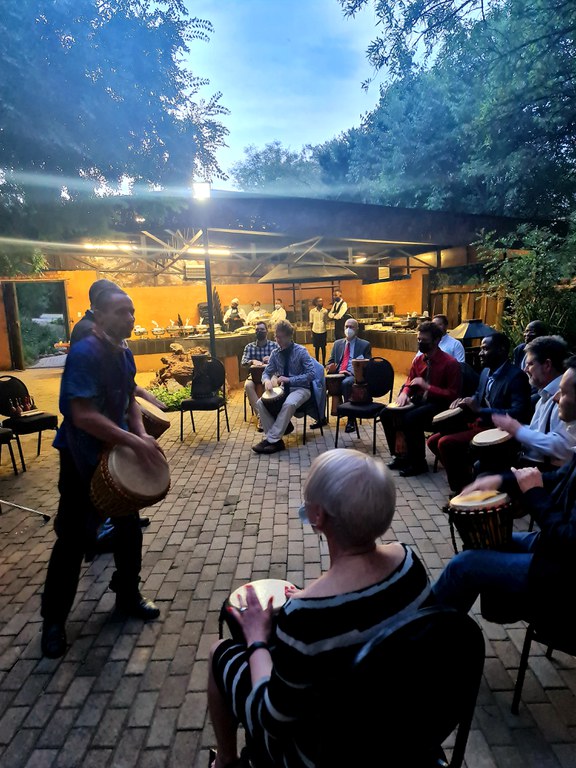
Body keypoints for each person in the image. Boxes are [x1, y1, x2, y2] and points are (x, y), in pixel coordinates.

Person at [207, 449, 431, 768]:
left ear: (318, 516)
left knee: (220, 651)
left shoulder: (306, 614)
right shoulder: (410, 562)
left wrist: (256, 638)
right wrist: (314, 593)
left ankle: (226, 761)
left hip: (325, 753)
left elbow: (272, 717)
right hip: (400, 728)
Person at [41, 287, 164, 659]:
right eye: (122, 312)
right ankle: (53, 622)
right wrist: (133, 441)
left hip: (115, 451)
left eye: (132, 310)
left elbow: (128, 402)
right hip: (81, 455)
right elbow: (82, 415)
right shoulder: (85, 353)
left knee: (128, 530)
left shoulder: (123, 353)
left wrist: (142, 436)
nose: (131, 317)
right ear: (99, 315)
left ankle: (127, 595)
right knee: (73, 539)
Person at [432, 356, 576, 636]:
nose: (557, 395)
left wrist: (534, 494)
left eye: (566, 391)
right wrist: (498, 480)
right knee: (484, 544)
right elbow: (556, 479)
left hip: (565, 574)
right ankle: (439, 632)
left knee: (465, 565)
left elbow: (569, 541)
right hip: (554, 550)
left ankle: (419, 638)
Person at [427, 332, 533, 494]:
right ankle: (466, 478)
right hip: (480, 422)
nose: (480, 353)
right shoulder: (485, 372)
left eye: (485, 349)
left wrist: (481, 410)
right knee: (433, 441)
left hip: (499, 430)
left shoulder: (516, 377)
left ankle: (462, 490)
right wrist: (465, 401)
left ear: (501, 350)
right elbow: (478, 397)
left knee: (446, 443)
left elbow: (518, 412)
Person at [381, 321, 462, 477]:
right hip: (422, 401)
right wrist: (404, 392)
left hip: (441, 405)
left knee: (411, 418)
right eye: (418, 339)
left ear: (437, 340)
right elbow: (410, 380)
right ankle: (400, 456)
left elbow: (453, 394)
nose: (420, 343)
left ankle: (419, 463)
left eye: (424, 340)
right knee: (386, 413)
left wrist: (427, 387)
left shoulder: (450, 363)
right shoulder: (419, 360)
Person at [492, 335, 575, 470]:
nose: (525, 369)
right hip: (530, 462)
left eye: (530, 364)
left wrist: (518, 430)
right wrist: (516, 428)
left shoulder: (566, 399)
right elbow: (539, 431)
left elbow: (562, 447)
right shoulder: (544, 395)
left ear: (547, 365)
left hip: (546, 471)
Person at [253, 320, 315, 454]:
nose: (277, 339)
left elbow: (311, 374)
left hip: (301, 388)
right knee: (260, 403)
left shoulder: (301, 351)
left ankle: (270, 439)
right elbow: (266, 372)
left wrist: (289, 379)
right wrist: (266, 380)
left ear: (289, 336)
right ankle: (277, 441)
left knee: (288, 404)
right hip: (283, 389)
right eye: (276, 336)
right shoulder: (275, 353)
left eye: (280, 337)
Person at [325, 318, 371, 433]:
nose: (348, 329)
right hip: (338, 373)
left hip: (352, 374)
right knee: (319, 383)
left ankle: (351, 418)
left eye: (351, 327)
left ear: (357, 329)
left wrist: (351, 371)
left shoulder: (364, 345)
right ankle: (320, 417)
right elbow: (330, 362)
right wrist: (330, 366)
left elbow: (368, 364)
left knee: (346, 383)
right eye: (346, 327)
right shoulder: (337, 344)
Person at [241, 321, 279, 430]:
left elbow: (282, 361)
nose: (259, 332)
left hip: (271, 375)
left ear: (267, 331)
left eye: (262, 329)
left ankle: (272, 413)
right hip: (254, 376)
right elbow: (243, 362)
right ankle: (261, 415)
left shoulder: (274, 346)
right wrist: (252, 361)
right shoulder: (249, 347)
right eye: (257, 330)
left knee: (273, 384)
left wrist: (271, 359)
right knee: (248, 386)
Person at [309, 296, 329, 365]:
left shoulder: (325, 311)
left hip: (323, 330)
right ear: (316, 302)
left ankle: (323, 363)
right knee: (316, 348)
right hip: (315, 331)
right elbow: (311, 322)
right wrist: (311, 333)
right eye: (319, 301)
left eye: (322, 301)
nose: (321, 302)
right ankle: (317, 362)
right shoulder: (312, 311)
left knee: (323, 347)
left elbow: (326, 321)